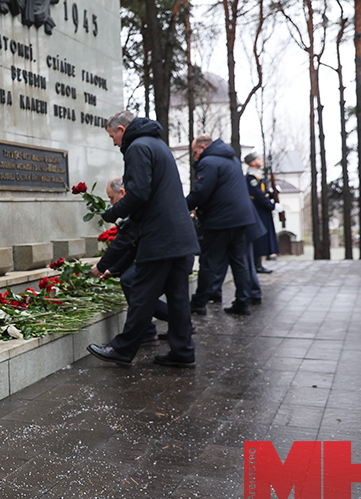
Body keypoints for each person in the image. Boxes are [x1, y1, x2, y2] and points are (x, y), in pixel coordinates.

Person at [86, 111, 199, 368]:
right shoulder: (157, 144)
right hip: (180, 236)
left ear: (122, 130)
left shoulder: (137, 147)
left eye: (112, 135)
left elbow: (139, 193)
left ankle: (123, 349)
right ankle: (183, 351)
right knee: (178, 296)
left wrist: (112, 213)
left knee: (140, 292)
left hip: (160, 237)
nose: (114, 142)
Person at [90, 177, 168, 344]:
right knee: (131, 282)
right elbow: (132, 246)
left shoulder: (137, 205)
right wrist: (113, 269)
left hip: (163, 252)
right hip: (169, 251)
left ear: (123, 192)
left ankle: (176, 321)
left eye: (111, 198)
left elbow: (125, 242)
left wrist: (101, 266)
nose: (111, 203)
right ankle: (157, 329)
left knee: (132, 283)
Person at [186, 135, 257, 316]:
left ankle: (199, 302)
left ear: (203, 147)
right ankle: (243, 302)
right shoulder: (231, 159)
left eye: (195, 152)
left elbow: (201, 192)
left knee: (209, 262)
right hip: (241, 218)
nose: (195, 157)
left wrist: (181, 207)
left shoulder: (209, 162)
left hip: (220, 220)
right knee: (239, 262)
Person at [244, 152, 282, 273]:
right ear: (252, 162)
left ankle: (258, 264)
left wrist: (271, 193)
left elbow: (263, 192)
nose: (261, 160)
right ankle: (256, 265)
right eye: (258, 159)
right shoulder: (251, 177)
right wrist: (272, 205)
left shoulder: (257, 176)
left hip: (262, 210)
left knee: (263, 236)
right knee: (259, 237)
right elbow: (258, 195)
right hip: (257, 210)